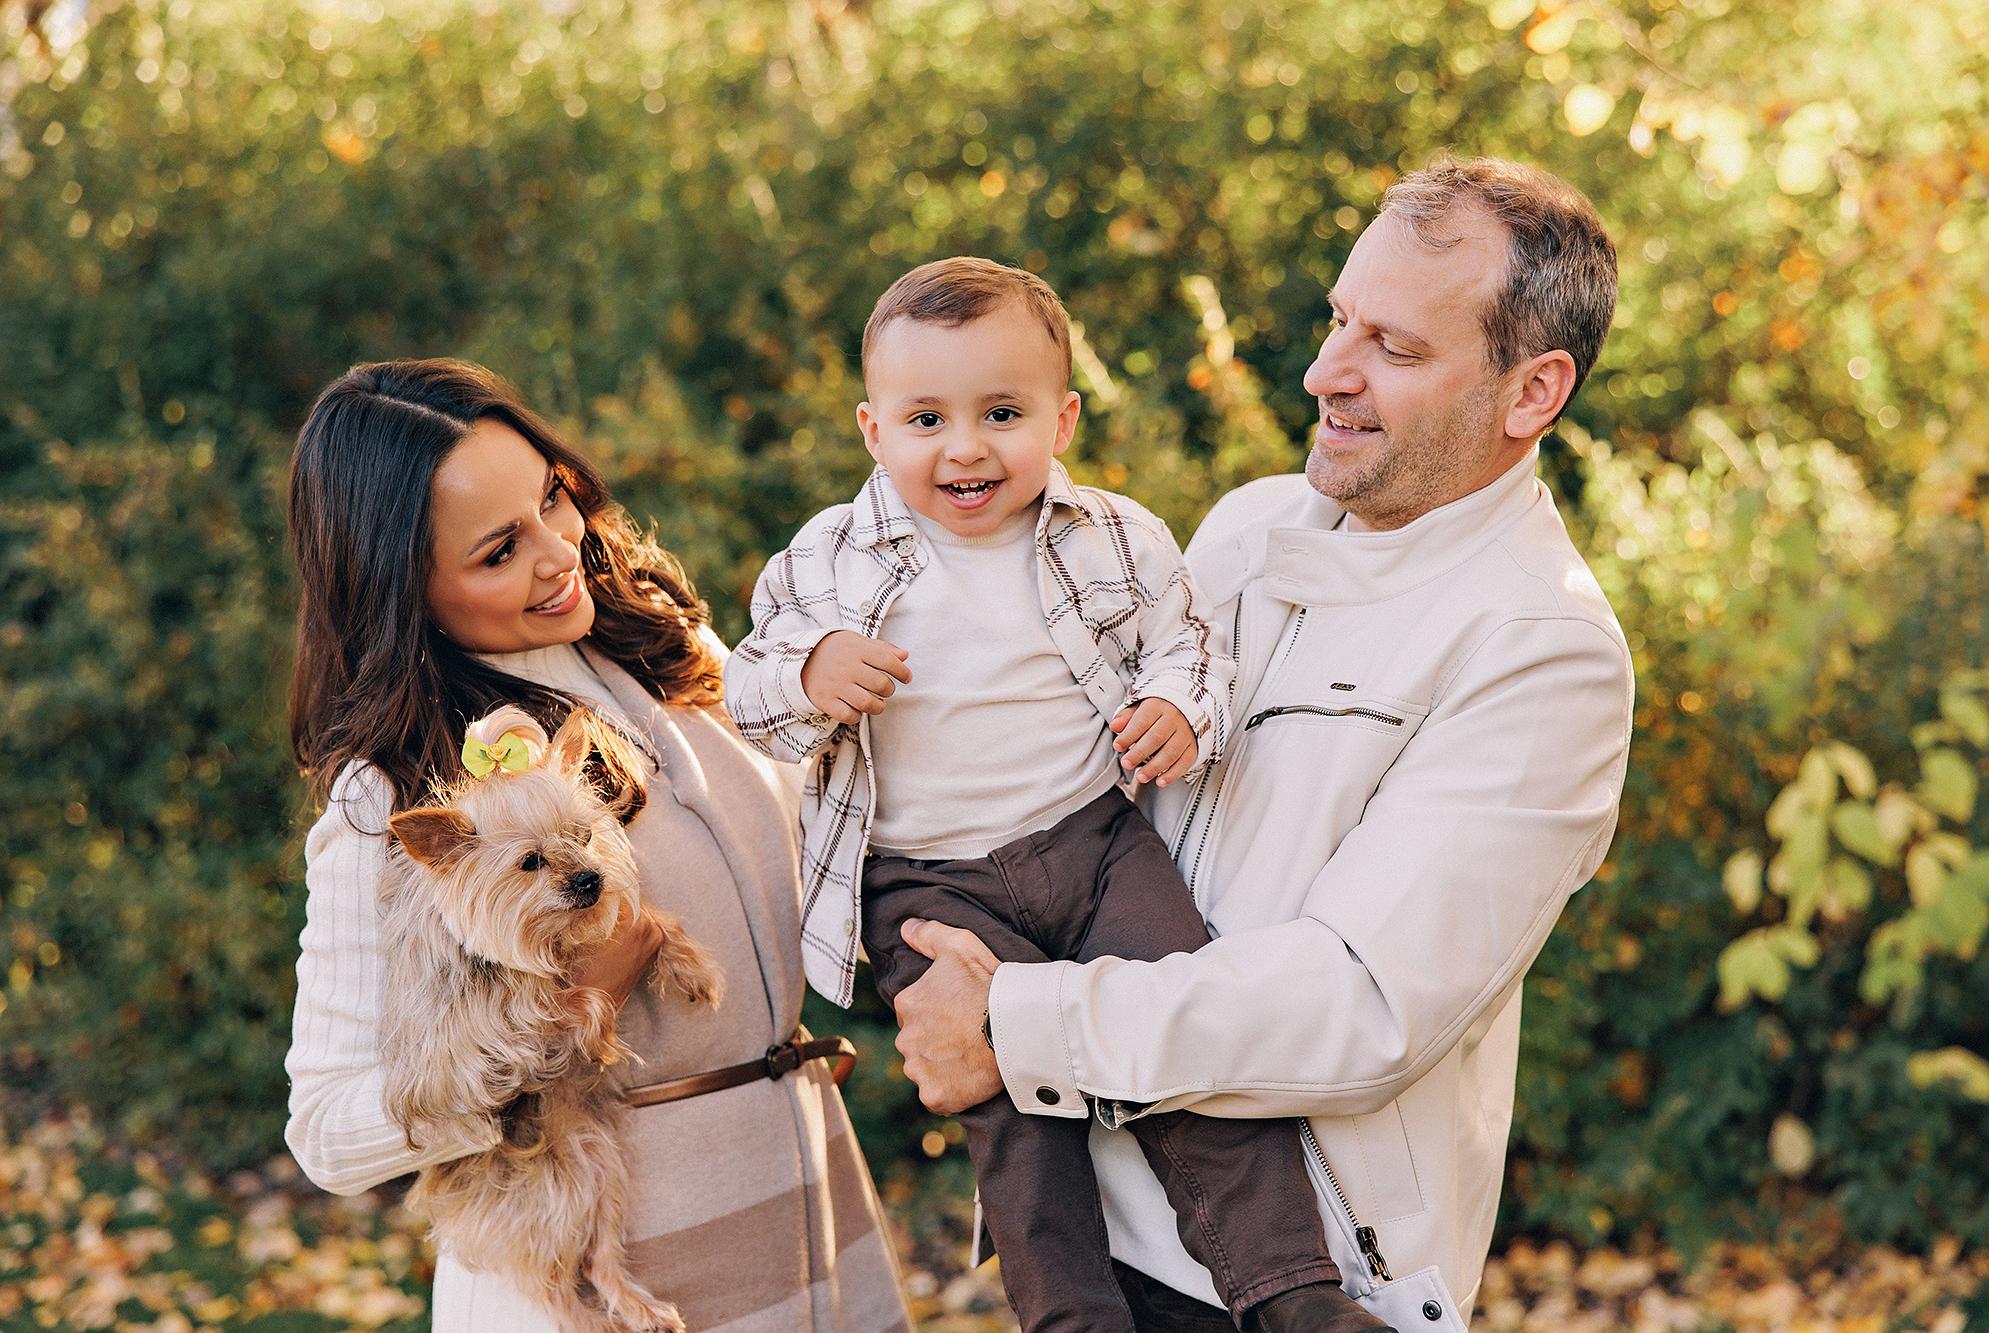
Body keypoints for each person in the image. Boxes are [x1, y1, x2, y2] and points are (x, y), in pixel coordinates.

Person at [886, 156, 1636, 1328]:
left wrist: (1015, 1022)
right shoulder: (1245, 528)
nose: (1324, 370)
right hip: (1086, 1221)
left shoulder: (1541, 651)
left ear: (1528, 391)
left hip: (1295, 1278)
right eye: (1340, 318)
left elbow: (1357, 1005)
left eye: (1393, 346)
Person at [725, 258, 1384, 1333]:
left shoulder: (1111, 536)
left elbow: (1185, 648)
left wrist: (1179, 708)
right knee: (1013, 1125)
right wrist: (807, 676)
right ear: (872, 430)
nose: (965, 446)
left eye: (1000, 412)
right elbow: (742, 694)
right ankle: (1072, 1319)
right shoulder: (826, 562)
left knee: (1189, 1030)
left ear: (1061, 416)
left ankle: (1288, 1291)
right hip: (926, 883)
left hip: (1092, 840)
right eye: (925, 417)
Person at [282, 359, 911, 1333]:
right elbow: (328, 1131)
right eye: (500, 549)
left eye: (551, 498)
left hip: (809, 1214)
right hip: (609, 1277)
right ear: (404, 590)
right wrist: (571, 1016)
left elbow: (827, 855)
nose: (557, 550)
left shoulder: (669, 654)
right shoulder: (396, 794)